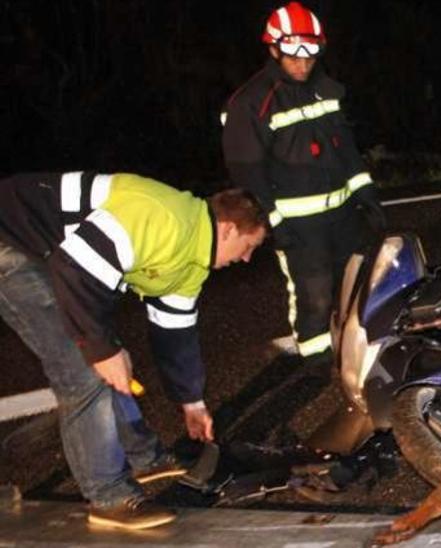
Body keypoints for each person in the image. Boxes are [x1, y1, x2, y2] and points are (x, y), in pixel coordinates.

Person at [0, 172, 268, 529]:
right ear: (230, 229)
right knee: (84, 369)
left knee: (105, 357)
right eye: (250, 246)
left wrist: (192, 403)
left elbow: (175, 333)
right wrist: (100, 349)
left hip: (54, 255)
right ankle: (109, 498)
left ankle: (146, 459)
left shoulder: (191, 260)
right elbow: (74, 270)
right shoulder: (164, 220)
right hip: (13, 238)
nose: (247, 259)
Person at [222, 2, 384, 368]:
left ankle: (354, 351)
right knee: (314, 296)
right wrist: (273, 224)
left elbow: (347, 151)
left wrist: (366, 195)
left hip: (342, 215)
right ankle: (316, 363)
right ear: (274, 49)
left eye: (310, 56)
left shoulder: (326, 90)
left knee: (355, 283)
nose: (302, 65)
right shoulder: (251, 103)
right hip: (298, 226)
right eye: (293, 56)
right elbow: (248, 174)